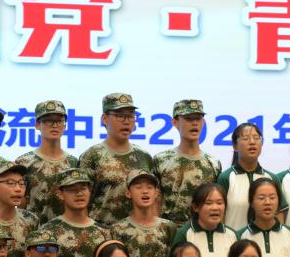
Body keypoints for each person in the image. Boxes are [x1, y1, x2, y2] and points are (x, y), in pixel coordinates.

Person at [82, 93, 155, 225]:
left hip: (136, 231)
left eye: (131, 116)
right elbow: (80, 200)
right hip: (101, 231)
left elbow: (153, 198)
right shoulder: (92, 156)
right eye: (120, 116)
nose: (126, 121)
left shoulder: (144, 157)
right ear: (105, 118)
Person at [153, 99, 223, 225]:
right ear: (175, 122)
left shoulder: (213, 164)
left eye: (198, 119)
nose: (194, 123)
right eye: (189, 119)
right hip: (168, 230)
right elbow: (153, 201)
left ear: (203, 122)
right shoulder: (161, 160)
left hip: (201, 230)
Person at [109, 170, 178, 257]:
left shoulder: (168, 227)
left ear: (156, 193)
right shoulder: (118, 229)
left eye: (150, 187)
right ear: (128, 193)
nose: (145, 191)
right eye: (138, 187)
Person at [46, 167, 110, 257]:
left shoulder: (104, 232)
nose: (79, 194)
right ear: (60, 194)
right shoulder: (49, 231)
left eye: (83, 188)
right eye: (72, 190)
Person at [15, 100, 80, 222]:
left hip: (66, 229)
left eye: (59, 121)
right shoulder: (24, 162)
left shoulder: (74, 163)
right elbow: (20, 203)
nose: (54, 125)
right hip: (34, 229)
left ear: (65, 125)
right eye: (48, 120)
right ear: (37, 125)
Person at [173, 183, 238, 257]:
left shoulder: (232, 235)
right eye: (208, 203)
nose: (215, 208)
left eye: (220, 203)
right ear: (195, 207)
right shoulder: (184, 234)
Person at [216, 122, 279, 231]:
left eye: (256, 138)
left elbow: (279, 214)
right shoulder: (226, 178)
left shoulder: (272, 178)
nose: (252, 142)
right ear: (235, 146)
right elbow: (219, 215)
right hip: (234, 240)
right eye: (245, 138)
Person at [241, 177, 290, 257]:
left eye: (272, 197)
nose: (267, 202)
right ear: (251, 202)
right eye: (261, 198)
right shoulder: (241, 236)